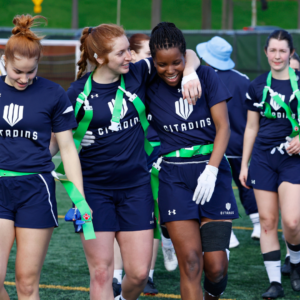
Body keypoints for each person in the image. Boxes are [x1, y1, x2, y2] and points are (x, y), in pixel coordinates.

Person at [66, 24, 201, 300]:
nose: (130, 56)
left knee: (139, 274)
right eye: (122, 52)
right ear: (100, 58)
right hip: (94, 192)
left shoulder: (138, 73)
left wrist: (189, 73)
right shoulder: (77, 93)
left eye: (129, 49)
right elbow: (59, 144)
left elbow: (189, 53)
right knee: (102, 272)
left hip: (136, 189)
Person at [146, 22, 239, 300]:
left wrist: (212, 169)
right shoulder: (147, 80)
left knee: (216, 267)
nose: (170, 70)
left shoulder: (206, 75)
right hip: (174, 178)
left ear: (185, 56)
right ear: (153, 61)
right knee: (191, 263)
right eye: (162, 64)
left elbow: (224, 128)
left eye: (177, 62)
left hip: (212, 174)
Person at [0, 15, 84, 300]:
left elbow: (68, 148)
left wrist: (80, 199)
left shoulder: (53, 93)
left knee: (26, 284)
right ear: (5, 60)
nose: (24, 78)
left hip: (36, 190)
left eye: (30, 72)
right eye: (17, 72)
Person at [111, 33, 178, 297]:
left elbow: (190, 56)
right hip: (133, 158)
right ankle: (118, 275)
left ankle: (162, 249)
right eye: (148, 56)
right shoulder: (125, 81)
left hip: (160, 151)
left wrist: (193, 73)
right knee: (127, 219)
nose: (155, 62)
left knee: (157, 213)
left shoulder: (160, 80)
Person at [240, 30, 300, 299]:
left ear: (291, 53)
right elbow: (251, 128)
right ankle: (275, 281)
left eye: (282, 51)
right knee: (267, 221)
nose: (277, 55)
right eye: (273, 50)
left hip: (292, 159)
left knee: (292, 220)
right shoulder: (256, 85)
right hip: (263, 159)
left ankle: (296, 263)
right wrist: (244, 164)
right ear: (266, 53)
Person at [196, 36, 260, 248]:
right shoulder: (243, 79)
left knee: (217, 186)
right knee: (245, 182)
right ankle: (258, 224)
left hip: (214, 144)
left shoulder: (202, 78)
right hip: (242, 143)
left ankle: (227, 232)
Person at [280, 51, 300, 277]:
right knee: (291, 214)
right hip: (286, 161)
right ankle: (291, 256)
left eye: (296, 70)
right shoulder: (276, 98)